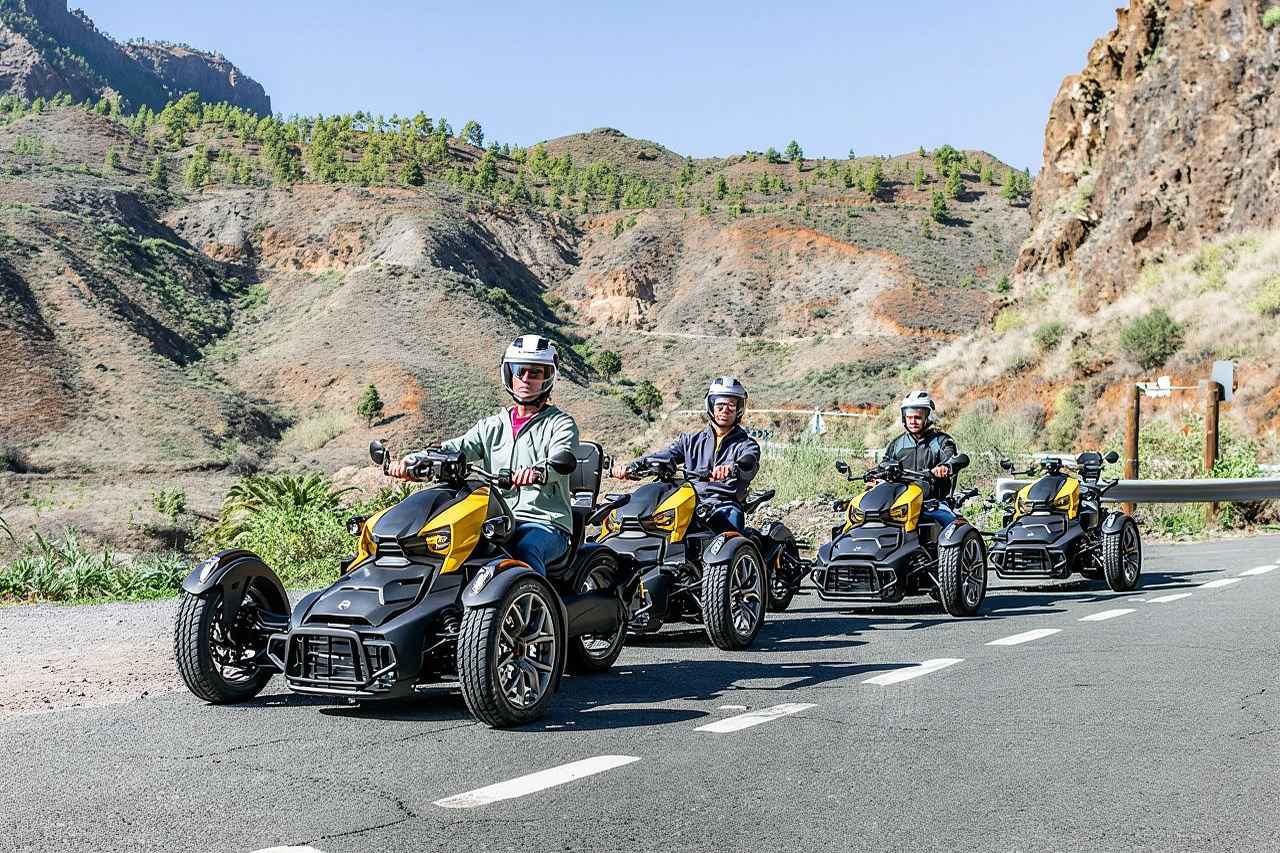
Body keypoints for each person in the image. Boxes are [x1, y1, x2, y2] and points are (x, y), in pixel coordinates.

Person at [388, 334, 579, 575]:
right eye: (520, 371)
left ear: (548, 378)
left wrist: (538, 472)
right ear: (509, 374)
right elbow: (456, 447)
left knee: (526, 549)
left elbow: (561, 457)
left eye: (535, 373)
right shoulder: (492, 426)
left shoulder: (560, 424)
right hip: (495, 517)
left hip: (544, 522)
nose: (526, 379)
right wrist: (414, 460)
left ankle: (533, 607)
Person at [610, 376, 760, 533]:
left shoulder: (747, 445)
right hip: (689, 502)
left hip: (724, 504)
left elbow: (749, 462)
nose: (725, 411)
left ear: (739, 409)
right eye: (720, 405)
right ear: (711, 406)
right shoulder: (689, 441)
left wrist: (732, 468)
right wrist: (630, 467)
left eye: (731, 406)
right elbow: (661, 456)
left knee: (728, 538)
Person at [882, 390, 960, 528]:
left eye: (917, 417)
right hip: (900, 504)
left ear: (928, 417)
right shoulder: (896, 444)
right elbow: (884, 464)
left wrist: (946, 468)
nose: (912, 421)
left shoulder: (942, 441)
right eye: (909, 417)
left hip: (932, 503)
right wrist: (876, 475)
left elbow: (954, 458)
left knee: (953, 528)